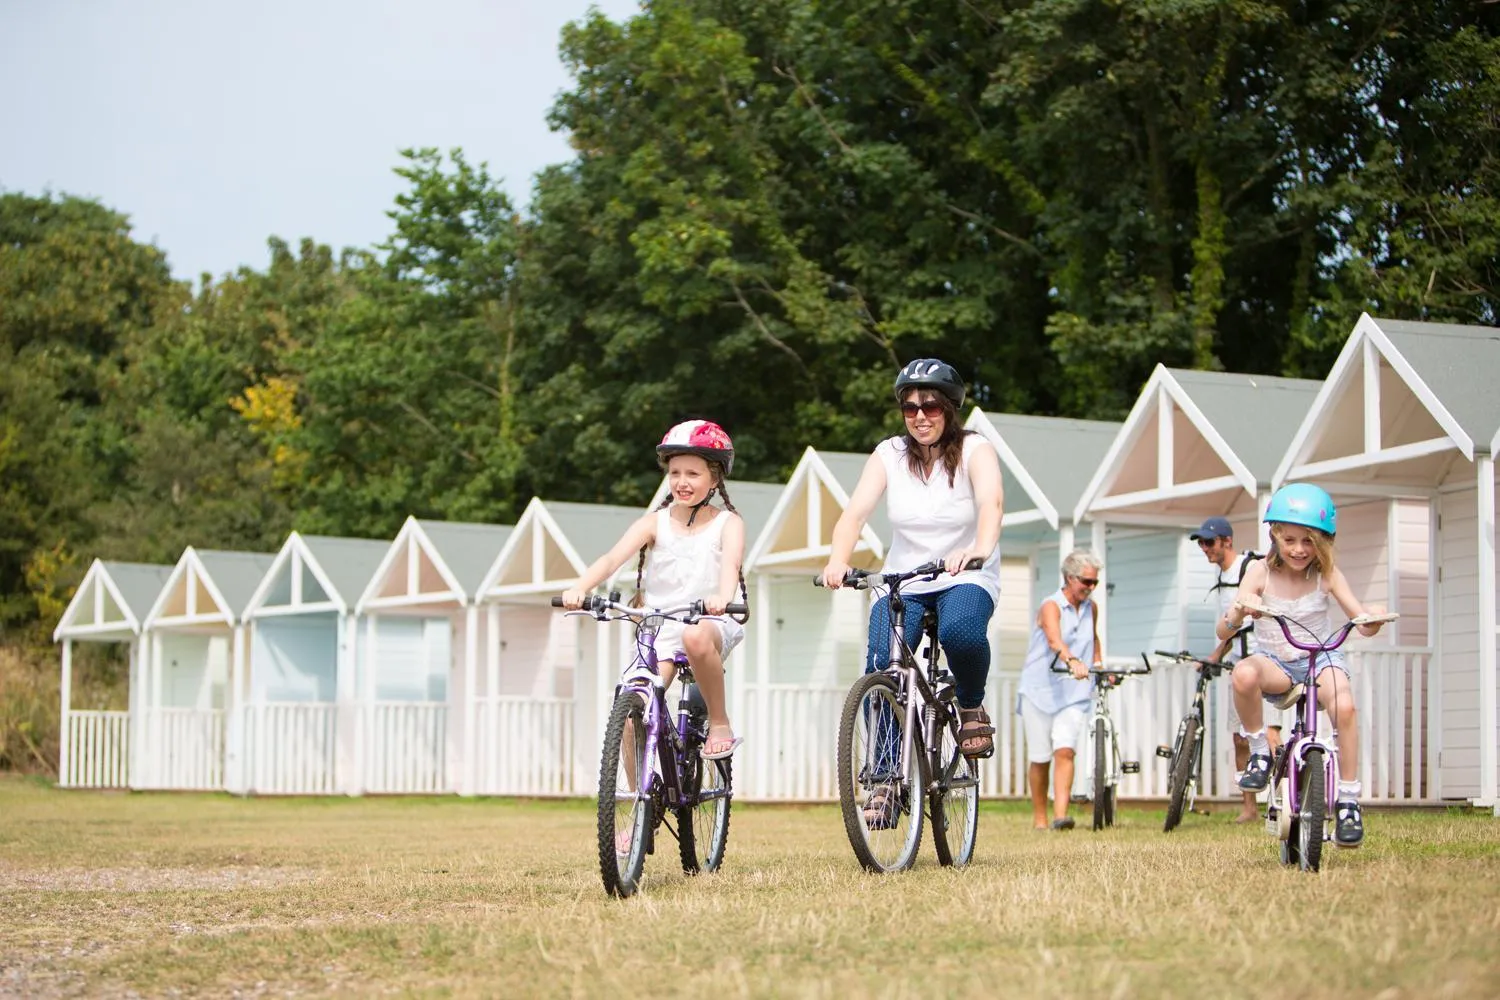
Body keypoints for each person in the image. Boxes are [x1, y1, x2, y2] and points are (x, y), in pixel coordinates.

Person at [820, 358, 1003, 824]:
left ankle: (969, 703)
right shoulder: (889, 455)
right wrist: (839, 558)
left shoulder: (976, 449)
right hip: (906, 579)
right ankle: (883, 778)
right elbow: (854, 514)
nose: (920, 416)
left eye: (931, 406)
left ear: (950, 409)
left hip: (966, 573)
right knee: (883, 663)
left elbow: (991, 503)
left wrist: (979, 548)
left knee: (961, 634)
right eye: (909, 408)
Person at [561, 420, 749, 760]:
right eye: (675, 473)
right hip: (660, 624)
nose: (681, 482)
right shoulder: (655, 521)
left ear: (715, 477)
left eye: (692, 474)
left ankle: (719, 723)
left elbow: (730, 567)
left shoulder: (728, 523)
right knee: (633, 711)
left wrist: (722, 598)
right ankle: (640, 805)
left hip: (709, 620)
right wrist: (579, 588)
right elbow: (611, 559)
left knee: (694, 636)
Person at [1217, 483, 1389, 848]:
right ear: (1275, 535)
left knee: (1344, 705)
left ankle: (1348, 800)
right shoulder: (1259, 573)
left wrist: (1372, 617)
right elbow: (1224, 630)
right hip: (1276, 662)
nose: (1298, 550)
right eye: (1290, 539)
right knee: (1243, 673)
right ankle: (1260, 752)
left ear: (1323, 542)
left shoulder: (1327, 574)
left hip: (1321, 658)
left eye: (1309, 541)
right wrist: (1238, 609)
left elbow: (1361, 621)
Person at [1190, 515, 1274, 823]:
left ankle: (1279, 802)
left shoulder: (1249, 569)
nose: (1204, 548)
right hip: (1238, 666)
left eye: (1208, 542)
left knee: (1270, 737)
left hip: (1263, 664)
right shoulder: (1220, 580)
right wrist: (1215, 654)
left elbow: (1253, 619)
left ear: (1227, 541)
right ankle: (1249, 808)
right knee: (1240, 738)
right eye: (1200, 543)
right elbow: (1228, 628)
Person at [1017, 549, 1103, 831]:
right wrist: (1072, 660)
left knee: (1065, 750)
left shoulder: (1091, 608)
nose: (1090, 588)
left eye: (1095, 583)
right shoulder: (1050, 606)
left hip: (1074, 692)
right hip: (1040, 690)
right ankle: (1040, 818)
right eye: (1086, 582)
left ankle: (1060, 816)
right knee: (1040, 757)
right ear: (1069, 578)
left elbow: (1094, 637)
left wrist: (1098, 664)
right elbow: (1055, 640)